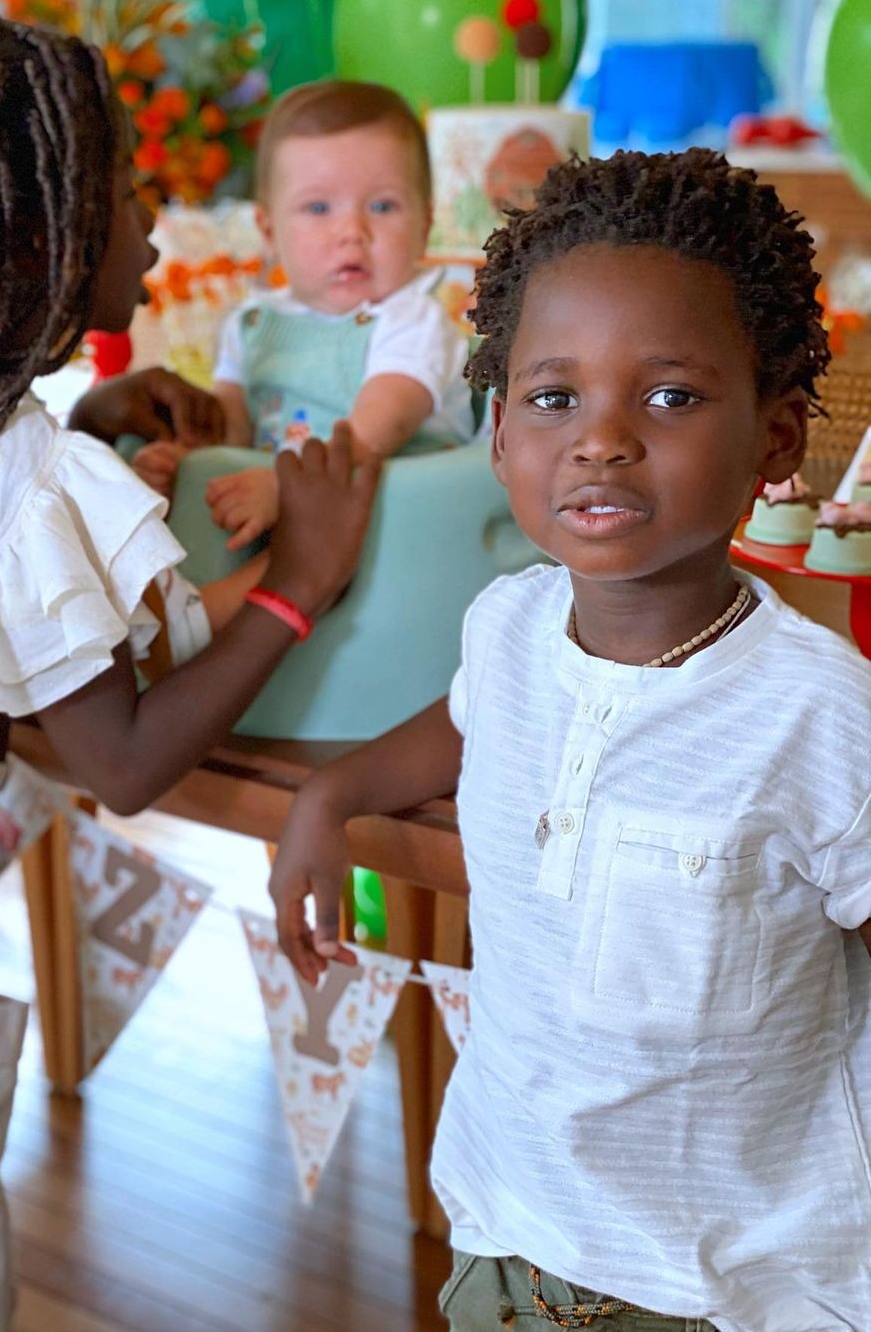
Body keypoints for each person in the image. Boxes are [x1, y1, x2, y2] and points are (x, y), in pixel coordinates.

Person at [0, 3, 375, 1332]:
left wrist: (81, 412)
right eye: (125, 197)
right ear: (38, 243)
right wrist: (298, 584)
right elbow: (122, 758)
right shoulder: (34, 476)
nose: (154, 230)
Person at [268, 149, 871, 1331]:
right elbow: (465, 722)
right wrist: (326, 797)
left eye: (670, 396)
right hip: (504, 1247)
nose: (601, 439)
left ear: (776, 438)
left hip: (732, 1293)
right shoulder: (509, 628)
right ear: (498, 436)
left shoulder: (821, 715)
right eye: (555, 398)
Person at [136, 78, 476, 551]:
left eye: (382, 206)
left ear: (425, 226)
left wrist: (286, 486)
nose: (351, 231)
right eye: (318, 207)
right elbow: (233, 430)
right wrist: (189, 461)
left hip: (397, 538)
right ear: (269, 231)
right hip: (280, 523)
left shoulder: (413, 321)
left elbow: (374, 432)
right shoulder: (252, 324)